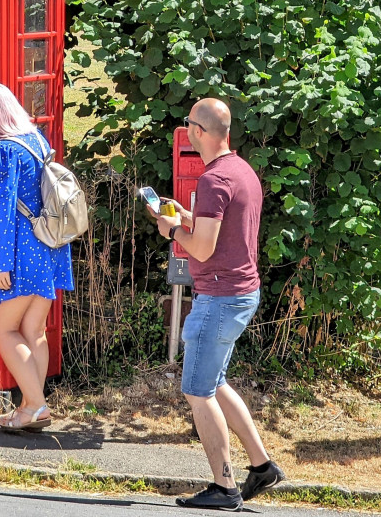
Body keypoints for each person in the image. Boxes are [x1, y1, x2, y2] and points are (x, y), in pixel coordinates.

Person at [149, 98, 285, 511]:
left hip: (220, 298)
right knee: (217, 382)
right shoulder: (240, 170)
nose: (187, 129)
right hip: (242, 291)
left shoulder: (213, 180)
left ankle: (224, 488)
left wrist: (173, 232)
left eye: (189, 124)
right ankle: (262, 467)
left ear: (198, 132)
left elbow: (204, 251)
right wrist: (187, 217)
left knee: (197, 390)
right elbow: (219, 230)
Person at [0, 83, 74, 431]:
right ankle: (31, 406)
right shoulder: (37, 140)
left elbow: (2, 211)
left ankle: (34, 404)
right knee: (34, 330)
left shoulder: (1, 151)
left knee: (2, 329)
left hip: (21, 250)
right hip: (50, 245)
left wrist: (0, 263)